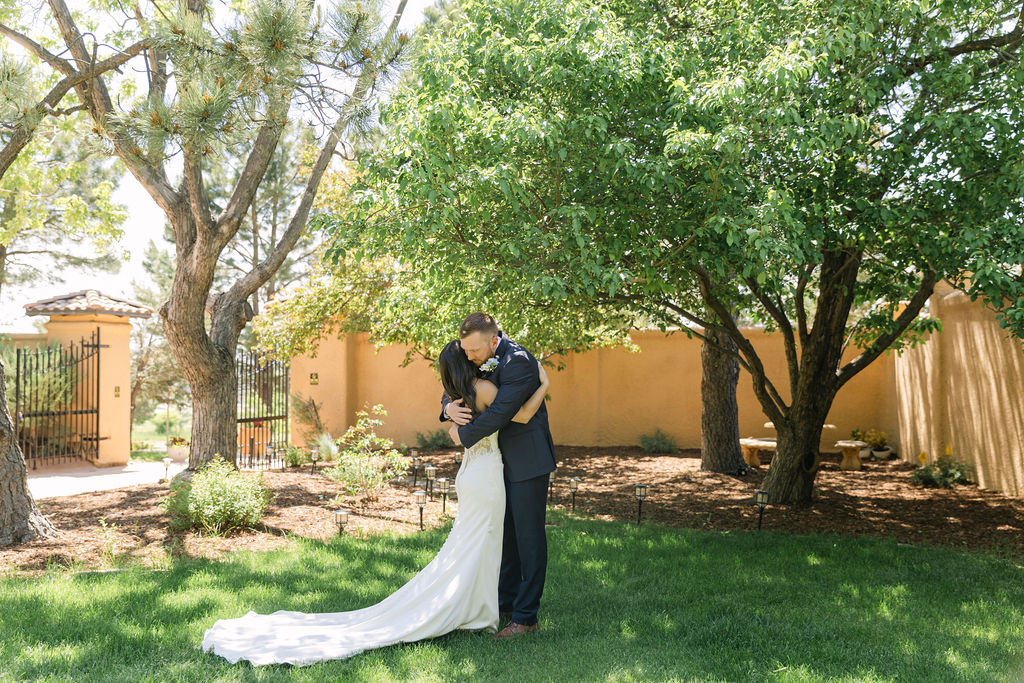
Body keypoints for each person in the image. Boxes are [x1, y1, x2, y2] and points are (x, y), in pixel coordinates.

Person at [200, 340, 550, 666]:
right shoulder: (484, 388)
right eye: (471, 355)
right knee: (484, 538)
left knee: (475, 540)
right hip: (487, 473)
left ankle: (489, 602)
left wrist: (450, 416)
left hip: (473, 472)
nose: (477, 358)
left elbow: (456, 431)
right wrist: (543, 386)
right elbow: (517, 416)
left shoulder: (462, 395)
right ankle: (487, 606)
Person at [442, 312, 557, 638]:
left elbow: (504, 414)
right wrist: (448, 409)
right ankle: (505, 602)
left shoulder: (518, 361)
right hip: (496, 464)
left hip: (526, 461)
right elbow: (456, 378)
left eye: (474, 351)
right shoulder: (477, 353)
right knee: (505, 537)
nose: (469, 356)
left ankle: (526, 618)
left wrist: (462, 435)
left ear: (494, 340)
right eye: (465, 350)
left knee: (529, 539)